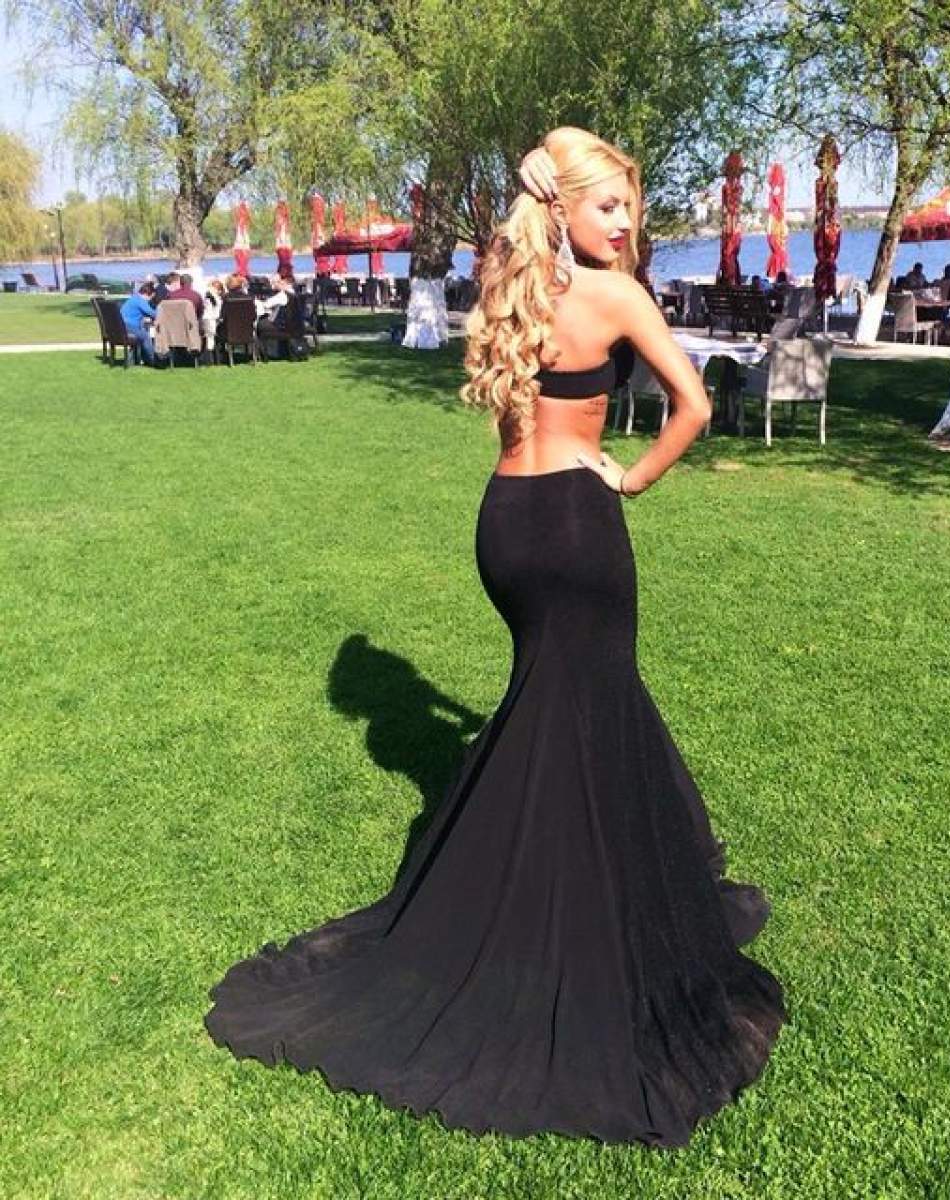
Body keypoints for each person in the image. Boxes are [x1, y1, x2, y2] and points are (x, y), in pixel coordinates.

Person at [204, 125, 785, 1149]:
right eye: (608, 206)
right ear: (564, 206)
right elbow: (693, 405)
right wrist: (631, 477)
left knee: (558, 704)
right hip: (576, 526)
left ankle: (596, 871)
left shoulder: (505, 282)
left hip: (505, 528)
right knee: (585, 708)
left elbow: (512, 399)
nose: (625, 225)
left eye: (631, 208)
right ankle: (562, 911)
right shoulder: (614, 297)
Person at [119, 281, 161, 365]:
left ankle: (138, 359)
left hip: (122, 326)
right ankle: (153, 360)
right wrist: (159, 309)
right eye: (151, 297)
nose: (150, 300)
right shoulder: (140, 301)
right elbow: (152, 313)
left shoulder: (134, 298)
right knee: (145, 336)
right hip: (128, 326)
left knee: (142, 332)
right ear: (147, 294)